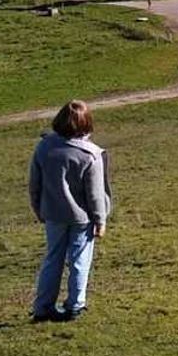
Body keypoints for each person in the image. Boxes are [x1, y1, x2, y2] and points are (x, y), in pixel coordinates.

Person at [28, 100, 111, 322]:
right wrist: (100, 220)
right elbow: (95, 194)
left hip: (53, 214)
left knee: (52, 259)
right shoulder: (90, 155)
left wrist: (38, 208)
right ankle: (75, 304)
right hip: (81, 218)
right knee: (79, 260)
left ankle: (43, 306)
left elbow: (34, 183)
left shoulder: (44, 147)